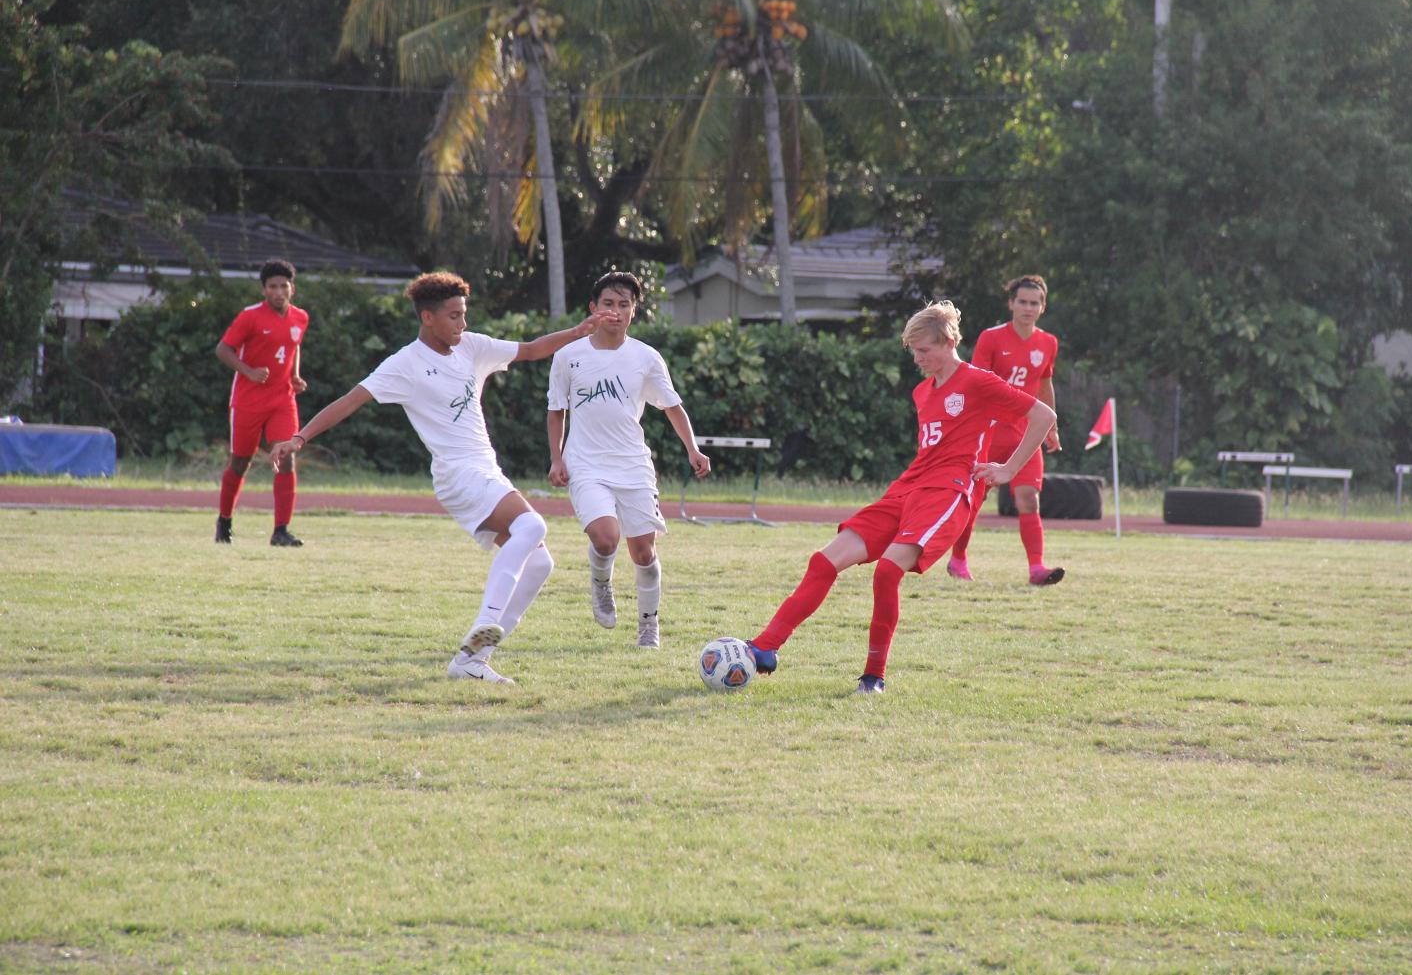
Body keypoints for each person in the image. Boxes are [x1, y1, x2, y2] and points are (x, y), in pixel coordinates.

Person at [268, 272, 616, 685]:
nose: (462, 324)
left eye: (464, 315)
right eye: (454, 316)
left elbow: (530, 349)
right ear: (427, 317)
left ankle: (473, 660)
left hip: (484, 468)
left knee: (540, 562)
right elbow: (351, 401)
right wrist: (300, 436)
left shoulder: (472, 347)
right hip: (456, 473)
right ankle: (484, 623)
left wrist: (577, 331)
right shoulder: (404, 364)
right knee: (532, 524)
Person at [743, 300, 1056, 693]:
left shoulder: (978, 381)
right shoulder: (922, 392)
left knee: (887, 571)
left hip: (948, 493)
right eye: (914, 351)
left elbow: (1044, 416)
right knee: (823, 561)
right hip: (906, 487)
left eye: (924, 350)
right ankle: (766, 647)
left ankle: (874, 676)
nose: (918, 359)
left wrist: (1008, 469)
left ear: (949, 342)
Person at [545, 272, 711, 650]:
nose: (615, 312)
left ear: (634, 312)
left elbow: (672, 406)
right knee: (605, 539)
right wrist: (556, 458)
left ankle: (649, 625)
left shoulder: (646, 357)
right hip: (585, 463)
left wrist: (693, 448)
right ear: (593, 308)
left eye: (623, 305)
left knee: (644, 552)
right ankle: (601, 584)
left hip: (633, 464)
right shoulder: (569, 355)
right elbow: (557, 410)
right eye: (607, 304)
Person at [945, 274, 1064, 586]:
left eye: (1034, 303)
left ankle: (1036, 569)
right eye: (1022, 301)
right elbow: (976, 383)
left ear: (1042, 307)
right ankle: (958, 559)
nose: (1027, 307)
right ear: (1011, 304)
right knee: (976, 498)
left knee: (1028, 499)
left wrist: (1051, 427)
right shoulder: (991, 338)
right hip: (992, 431)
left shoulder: (1048, 342)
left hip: (1027, 434)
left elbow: (1044, 384)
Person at [214, 259, 309, 546]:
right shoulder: (250, 317)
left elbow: (294, 347)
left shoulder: (300, 317)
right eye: (272, 287)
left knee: (286, 457)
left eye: (284, 286)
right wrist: (248, 371)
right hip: (248, 402)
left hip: (282, 400)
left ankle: (281, 531)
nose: (279, 291)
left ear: (292, 288)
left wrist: (294, 375)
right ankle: (224, 521)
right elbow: (223, 349)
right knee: (240, 463)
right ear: (264, 290)